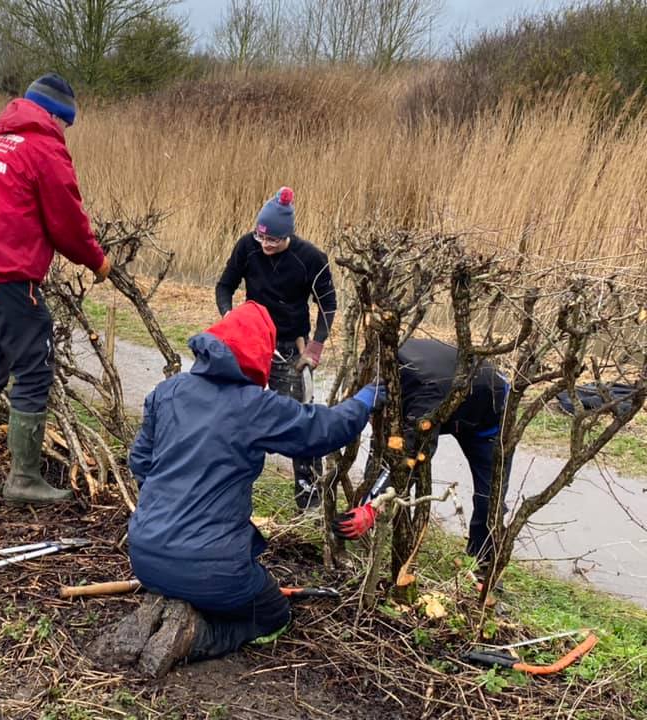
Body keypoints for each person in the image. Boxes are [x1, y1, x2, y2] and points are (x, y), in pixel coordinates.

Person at [120, 301, 386, 677]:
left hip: (144, 556)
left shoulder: (168, 391)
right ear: (260, 353)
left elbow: (141, 465)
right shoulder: (255, 406)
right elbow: (320, 431)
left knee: (202, 582)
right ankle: (193, 636)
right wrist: (362, 403)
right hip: (214, 571)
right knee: (273, 614)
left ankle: (168, 608)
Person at [0, 73, 110, 504]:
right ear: (56, 115)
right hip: (7, 276)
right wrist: (97, 260)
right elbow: (67, 221)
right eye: (66, 124)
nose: (64, 132)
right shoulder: (42, 147)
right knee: (34, 369)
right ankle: (24, 479)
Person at [334, 338, 512, 573]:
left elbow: (411, 459)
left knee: (489, 497)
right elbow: (380, 446)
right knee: (385, 444)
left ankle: (483, 564)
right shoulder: (386, 360)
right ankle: (368, 530)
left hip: (489, 412)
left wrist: (373, 507)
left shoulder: (424, 397)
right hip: (448, 392)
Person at [215, 187, 337, 511]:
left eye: (273, 240)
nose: (265, 245)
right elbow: (225, 285)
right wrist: (229, 318)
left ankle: (309, 500)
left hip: (289, 346)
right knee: (236, 414)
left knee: (298, 419)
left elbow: (328, 305)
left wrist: (315, 347)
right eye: (261, 238)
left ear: (288, 235)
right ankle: (229, 492)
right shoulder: (248, 246)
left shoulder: (310, 258)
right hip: (251, 342)